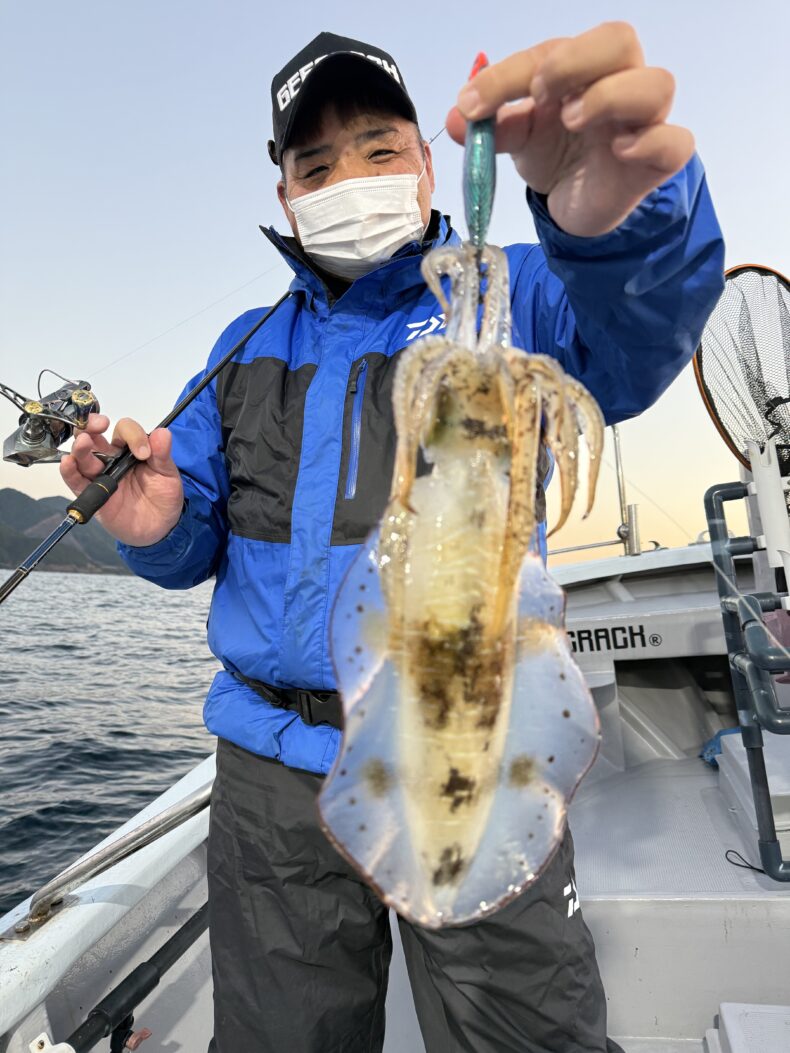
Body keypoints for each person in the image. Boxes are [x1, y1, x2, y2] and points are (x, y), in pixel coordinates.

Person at [61, 26, 724, 1053]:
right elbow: (191, 542)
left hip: (475, 742)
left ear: (426, 163)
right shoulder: (243, 350)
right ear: (286, 196)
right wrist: (153, 526)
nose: (349, 180)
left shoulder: (513, 290)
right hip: (274, 774)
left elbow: (634, 339)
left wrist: (614, 230)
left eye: (378, 149)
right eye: (315, 166)